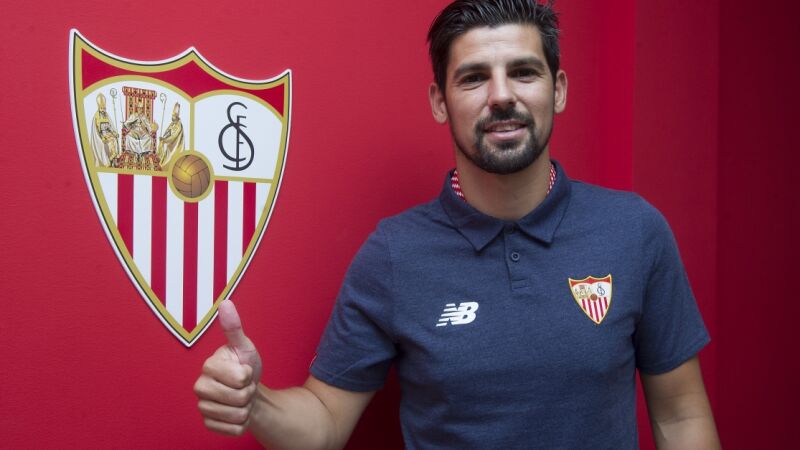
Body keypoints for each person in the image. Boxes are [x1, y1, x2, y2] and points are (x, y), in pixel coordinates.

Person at [193, 1, 721, 448]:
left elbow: (681, 416)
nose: (501, 96)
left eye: (523, 72)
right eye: (473, 78)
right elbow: (326, 420)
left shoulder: (634, 230)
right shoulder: (394, 253)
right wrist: (255, 402)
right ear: (440, 102)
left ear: (558, 89)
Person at [89, 92, 119, 167]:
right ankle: (108, 161)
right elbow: (96, 130)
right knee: (108, 143)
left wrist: (114, 133)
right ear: (99, 108)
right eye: (102, 108)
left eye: (104, 108)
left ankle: (114, 159)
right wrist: (101, 136)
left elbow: (110, 126)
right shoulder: (96, 117)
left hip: (108, 133)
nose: (103, 110)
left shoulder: (106, 115)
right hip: (101, 135)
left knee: (114, 140)